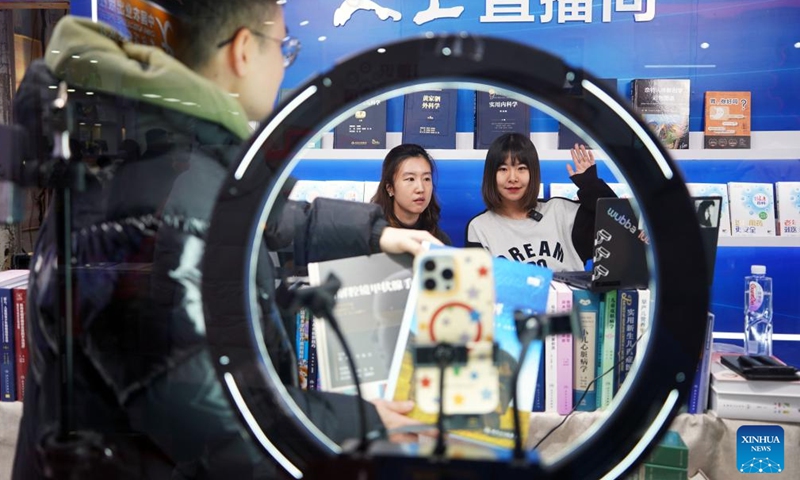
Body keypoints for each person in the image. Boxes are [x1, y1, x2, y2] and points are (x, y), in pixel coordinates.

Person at [12, 2, 438, 478]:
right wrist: (360, 421)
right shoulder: (146, 196)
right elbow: (212, 425)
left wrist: (377, 234)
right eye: (284, 47)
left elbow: (257, 221)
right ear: (241, 51)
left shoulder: (172, 153)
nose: (284, 64)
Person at [465, 134, 615, 272]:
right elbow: (479, 288)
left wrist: (590, 184)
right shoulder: (479, 227)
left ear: (533, 173)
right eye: (503, 169)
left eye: (521, 168)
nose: (512, 178)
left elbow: (621, 224)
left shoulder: (561, 212)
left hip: (570, 301)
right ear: (491, 175)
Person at [371, 144, 452, 245]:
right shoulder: (374, 237)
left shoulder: (438, 240)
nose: (421, 189)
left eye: (426, 179)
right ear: (390, 188)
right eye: (410, 179)